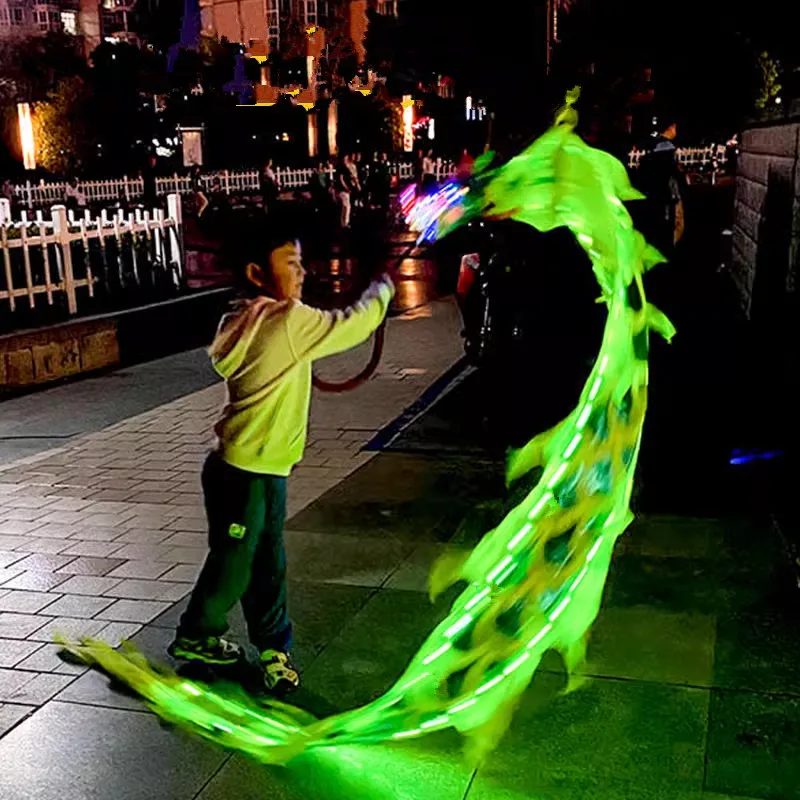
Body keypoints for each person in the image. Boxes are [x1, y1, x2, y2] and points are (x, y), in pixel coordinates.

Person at [169, 213, 394, 694]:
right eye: (291, 263)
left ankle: (273, 643)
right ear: (257, 274)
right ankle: (197, 633)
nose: (302, 272)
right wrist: (382, 290)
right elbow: (351, 325)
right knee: (237, 561)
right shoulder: (289, 321)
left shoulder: (241, 318)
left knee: (264, 559)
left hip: (250, 468)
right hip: (247, 472)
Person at [631, 113, 685, 259]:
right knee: (671, 228)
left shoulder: (652, 147)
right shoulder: (667, 150)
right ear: (672, 127)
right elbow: (673, 178)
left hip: (655, 198)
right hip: (668, 197)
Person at [336, 155, 357, 229]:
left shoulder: (343, 168)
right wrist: (346, 187)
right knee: (347, 206)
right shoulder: (342, 168)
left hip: (343, 189)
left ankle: (343, 222)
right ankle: (346, 223)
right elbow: (341, 179)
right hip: (343, 190)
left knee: (344, 207)